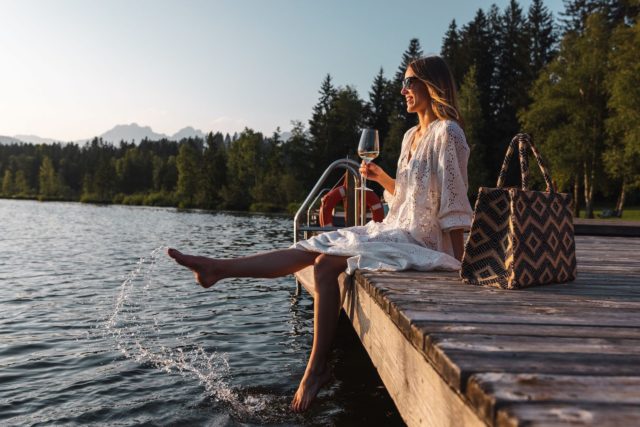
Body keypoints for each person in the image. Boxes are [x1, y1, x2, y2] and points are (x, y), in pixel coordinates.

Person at [167, 55, 473, 413]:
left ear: (431, 85)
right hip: (394, 228)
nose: (403, 90)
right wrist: (382, 179)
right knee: (314, 245)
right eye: (403, 83)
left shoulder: (448, 132)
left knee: (327, 264)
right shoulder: (410, 137)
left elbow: (453, 204)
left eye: (410, 83)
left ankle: (315, 368)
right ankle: (219, 268)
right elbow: (404, 196)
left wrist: (461, 266)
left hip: (421, 241)